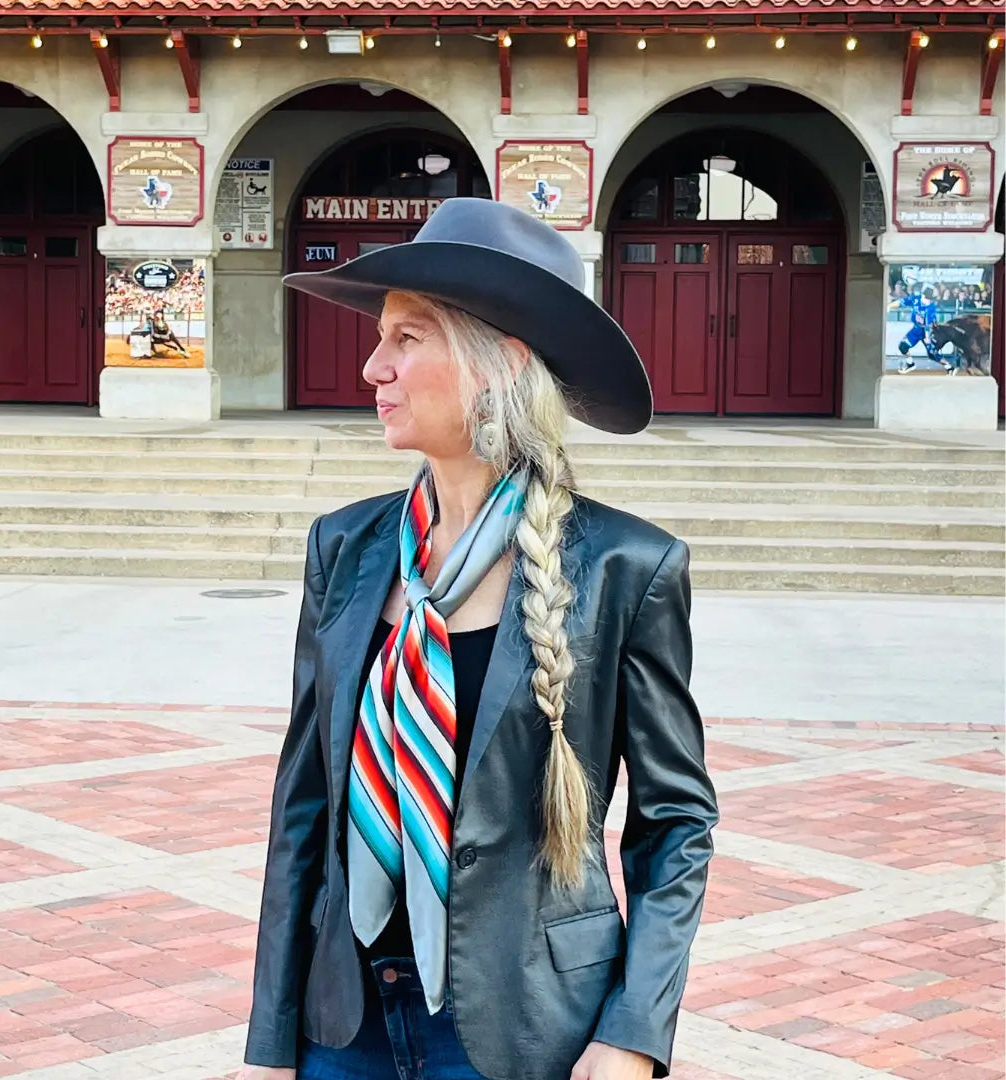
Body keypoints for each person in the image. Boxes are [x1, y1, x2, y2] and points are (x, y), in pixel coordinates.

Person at [237, 198, 718, 1080]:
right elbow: (301, 808)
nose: (373, 366)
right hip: (344, 1021)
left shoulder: (626, 567)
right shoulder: (343, 548)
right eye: (382, 337)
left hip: (525, 1026)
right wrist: (269, 1043)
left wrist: (634, 1034)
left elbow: (675, 824)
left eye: (408, 338)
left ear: (501, 365)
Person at [893, 286, 948, 373]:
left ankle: (949, 367)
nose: (929, 300)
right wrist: (889, 306)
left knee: (932, 353)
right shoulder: (916, 300)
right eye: (927, 298)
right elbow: (902, 302)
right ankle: (910, 364)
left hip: (928, 331)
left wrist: (927, 337)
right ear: (923, 296)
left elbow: (928, 324)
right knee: (903, 346)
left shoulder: (931, 307)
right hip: (916, 330)